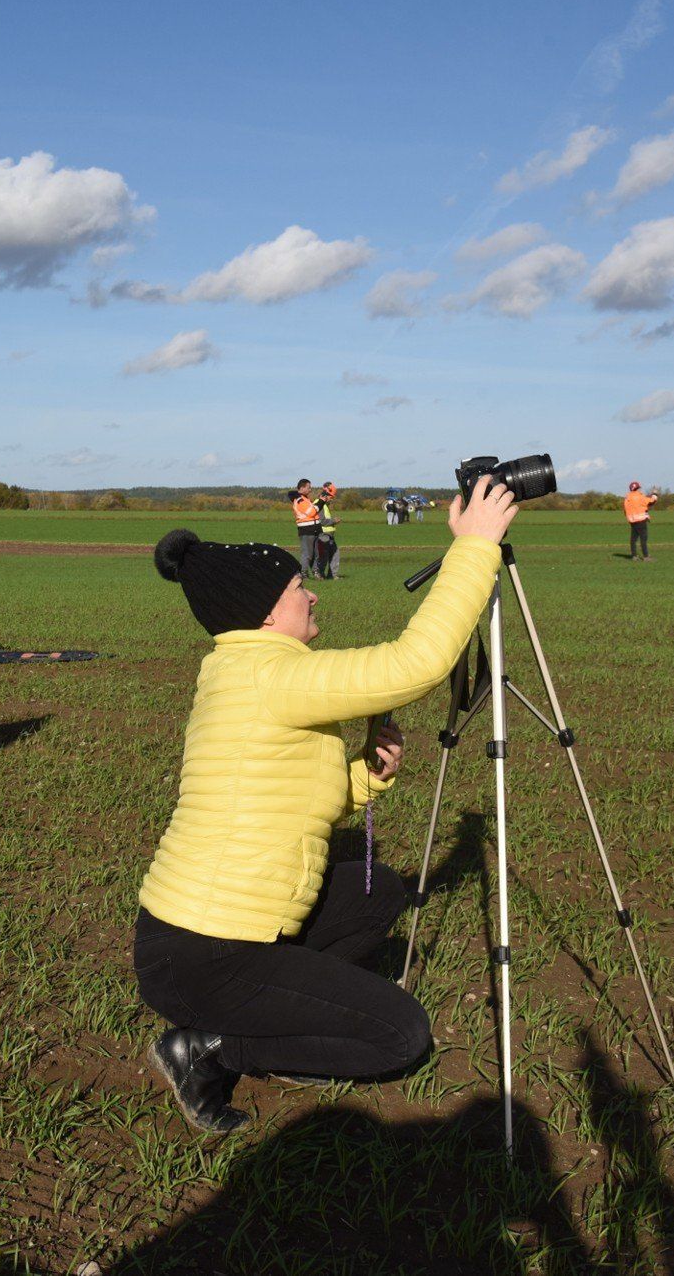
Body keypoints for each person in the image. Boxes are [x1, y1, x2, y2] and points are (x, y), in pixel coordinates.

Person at [134, 477, 520, 1132]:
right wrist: (476, 548)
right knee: (399, 1033)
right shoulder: (270, 675)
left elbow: (299, 798)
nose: (310, 592)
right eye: (295, 590)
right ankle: (206, 1047)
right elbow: (416, 664)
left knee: (375, 891)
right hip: (204, 951)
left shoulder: (247, 672)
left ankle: (284, 1015)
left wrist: (366, 778)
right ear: (264, 613)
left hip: (202, 940)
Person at [290, 479, 322, 577]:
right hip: (307, 529)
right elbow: (311, 512)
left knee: (316, 553)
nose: (310, 489)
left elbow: (313, 511)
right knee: (307, 553)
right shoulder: (300, 500)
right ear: (302, 488)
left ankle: (315, 572)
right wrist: (321, 501)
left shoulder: (305, 498)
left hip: (314, 529)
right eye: (309, 487)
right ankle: (303, 573)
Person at [624, 480, 659, 560]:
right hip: (641, 520)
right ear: (637, 488)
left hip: (632, 521)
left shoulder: (627, 497)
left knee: (633, 539)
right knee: (643, 539)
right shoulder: (640, 496)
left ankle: (634, 556)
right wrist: (655, 493)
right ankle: (646, 557)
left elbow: (625, 510)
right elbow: (651, 502)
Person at [312, 482, 341, 580]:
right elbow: (322, 521)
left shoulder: (324, 504)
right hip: (323, 535)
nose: (331, 499)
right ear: (325, 495)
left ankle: (332, 575)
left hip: (329, 535)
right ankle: (320, 574)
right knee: (323, 556)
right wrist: (334, 520)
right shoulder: (319, 504)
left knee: (334, 554)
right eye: (331, 497)